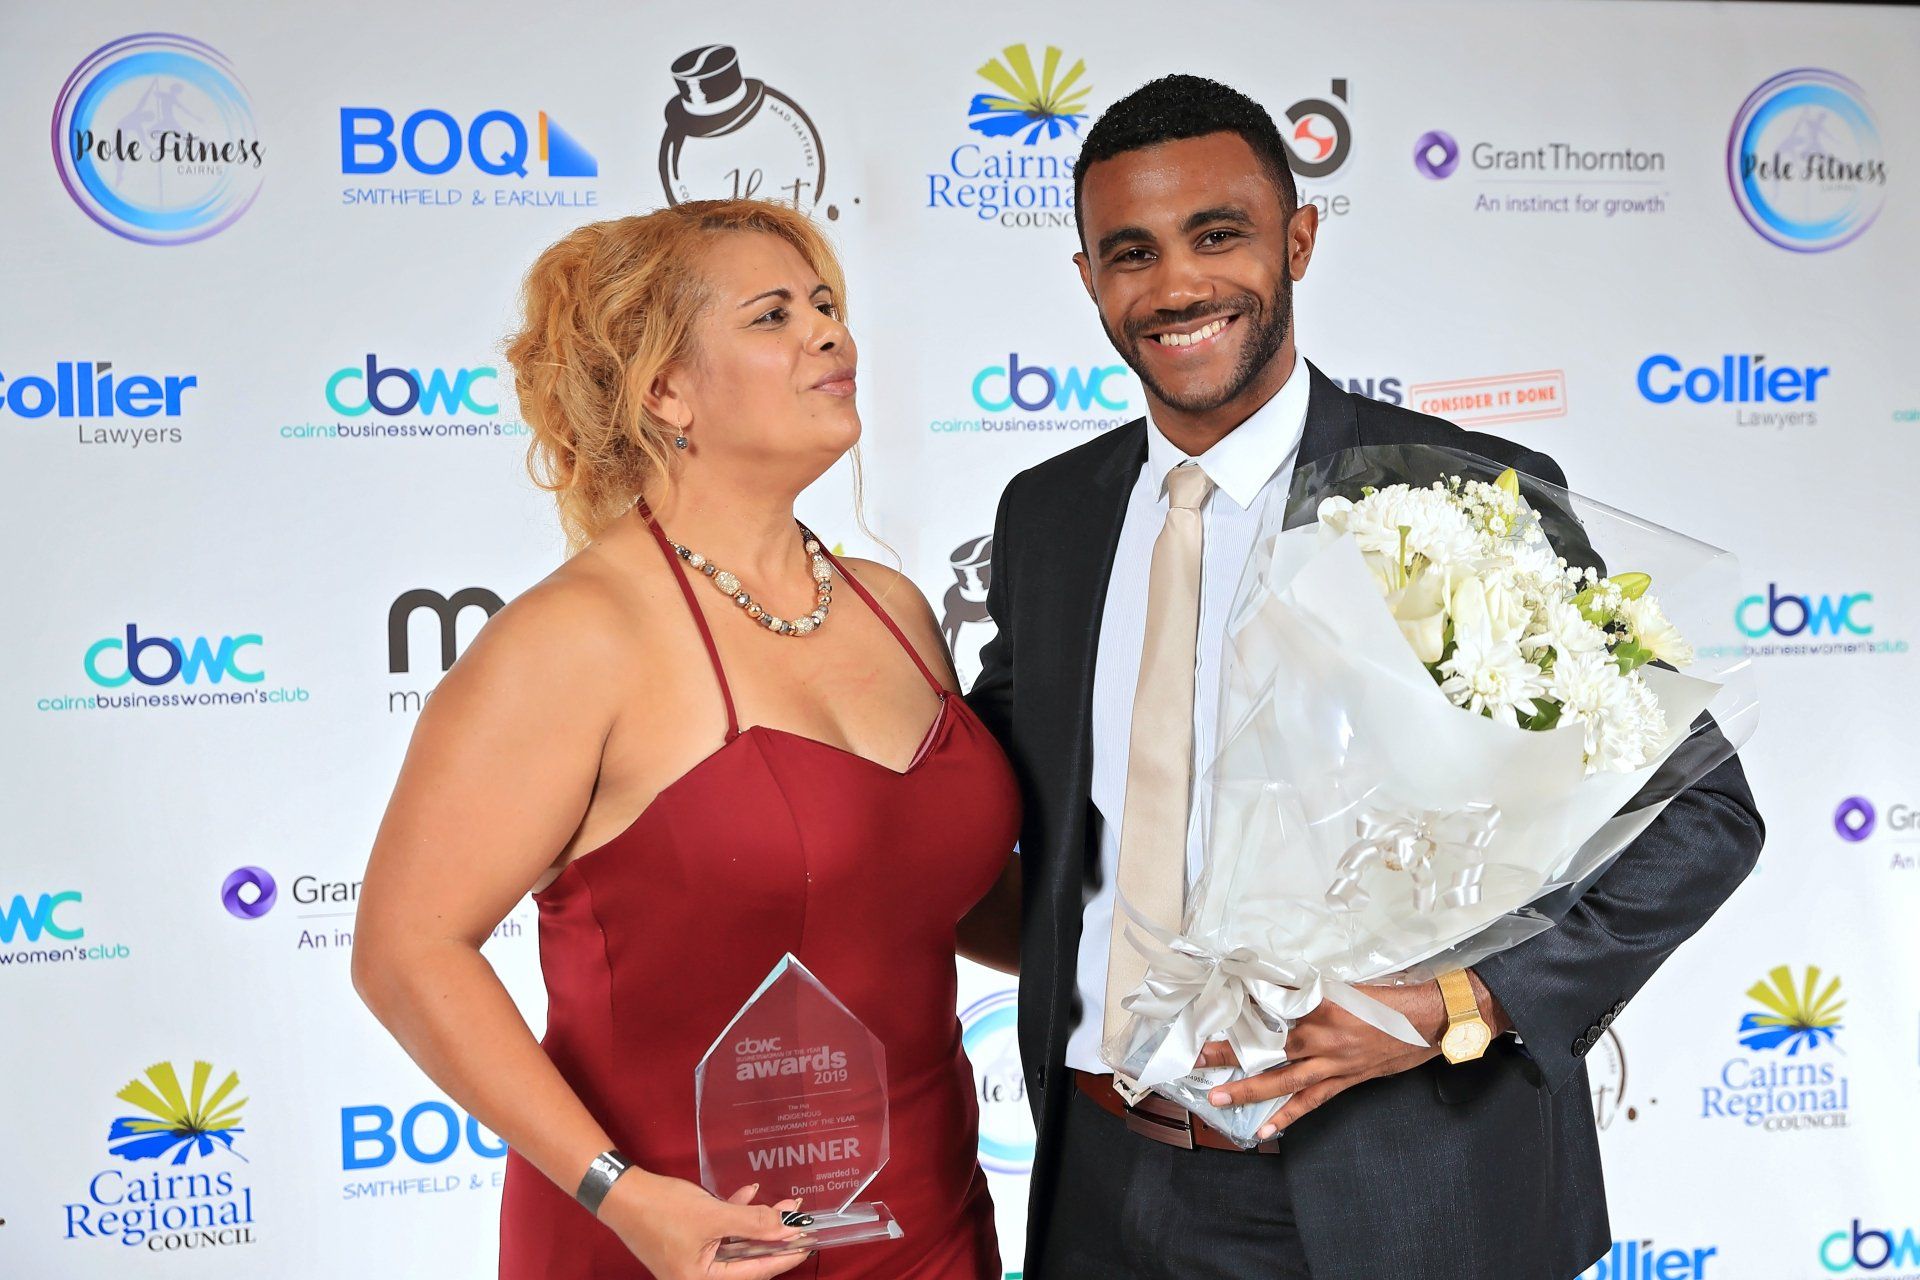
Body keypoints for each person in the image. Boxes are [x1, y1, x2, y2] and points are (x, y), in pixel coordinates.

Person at [966, 75, 1764, 1279]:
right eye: (1131, 252)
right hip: (1104, 1183)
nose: (1175, 286)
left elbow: (1701, 817)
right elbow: (982, 787)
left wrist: (1458, 1004)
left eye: (1217, 235)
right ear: (1087, 276)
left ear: (1298, 240)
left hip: (1405, 1188)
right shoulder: (1049, 514)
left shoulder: (1451, 494)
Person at [352, 198, 1021, 1280]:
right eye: (773, 315)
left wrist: (1198, 952)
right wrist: (617, 1193)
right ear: (665, 390)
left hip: (928, 1232)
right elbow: (404, 951)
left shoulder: (893, 606)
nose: (828, 333)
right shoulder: (575, 637)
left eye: (827, 306)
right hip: (675, 1246)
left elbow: (953, 899)